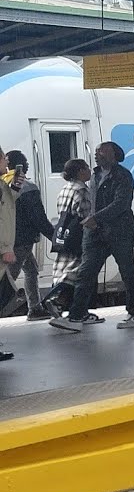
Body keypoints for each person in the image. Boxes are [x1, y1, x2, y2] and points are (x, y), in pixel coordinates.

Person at [50, 142, 134, 332]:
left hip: (119, 233)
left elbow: (121, 203)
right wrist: (92, 222)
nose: (96, 153)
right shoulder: (95, 175)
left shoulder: (123, 176)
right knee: (85, 273)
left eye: (102, 151)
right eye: (97, 151)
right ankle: (76, 317)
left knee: (127, 273)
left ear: (114, 154)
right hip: (94, 234)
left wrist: (95, 218)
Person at [3, 151, 57, 321]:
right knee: (8, 278)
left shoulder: (5, 183)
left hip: (11, 239)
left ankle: (35, 307)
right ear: (21, 165)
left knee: (31, 270)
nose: (27, 165)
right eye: (25, 162)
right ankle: (31, 308)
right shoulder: (27, 187)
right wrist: (55, 237)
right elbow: (38, 217)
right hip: (21, 241)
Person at [41, 159, 97, 321]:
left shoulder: (65, 189)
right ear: (80, 171)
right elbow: (86, 216)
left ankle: (61, 303)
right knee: (79, 272)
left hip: (64, 233)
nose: (90, 170)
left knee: (63, 269)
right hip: (79, 236)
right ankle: (60, 301)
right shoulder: (82, 191)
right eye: (87, 168)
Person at [0, 147, 19, 361]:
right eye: (4, 158)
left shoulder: (3, 185)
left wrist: (15, 188)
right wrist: (6, 248)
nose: (7, 162)